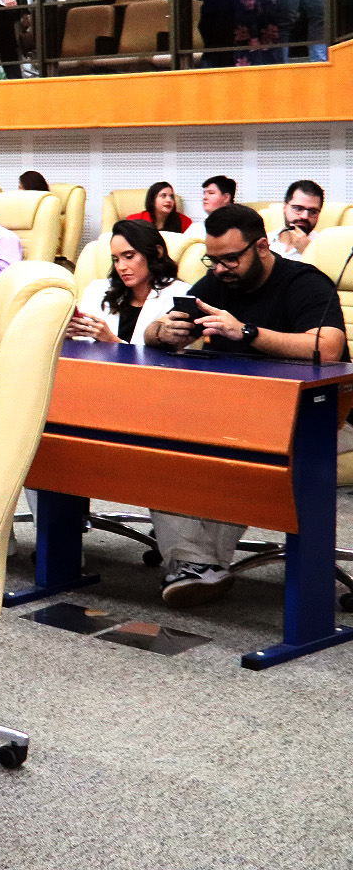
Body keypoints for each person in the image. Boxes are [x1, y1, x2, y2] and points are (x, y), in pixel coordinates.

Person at [146, 204, 346, 604]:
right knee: (158, 442)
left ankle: (198, 563)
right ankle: (199, 563)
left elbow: (328, 347)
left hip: (322, 416)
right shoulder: (218, 281)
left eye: (231, 259)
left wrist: (247, 332)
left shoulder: (305, 283)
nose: (221, 269)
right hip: (237, 411)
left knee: (238, 453)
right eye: (213, 260)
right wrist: (164, 332)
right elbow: (154, 330)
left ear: (262, 247)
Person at [68, 219, 187, 345]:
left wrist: (112, 341)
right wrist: (68, 336)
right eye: (116, 260)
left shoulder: (180, 294)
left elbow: (172, 353)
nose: (121, 267)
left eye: (129, 256)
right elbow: (83, 344)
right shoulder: (97, 289)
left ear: (157, 252)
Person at [272, 178, 325, 259]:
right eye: (298, 208)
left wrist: (307, 250)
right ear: (285, 207)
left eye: (313, 211)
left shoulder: (324, 246)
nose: (305, 216)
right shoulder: (266, 241)